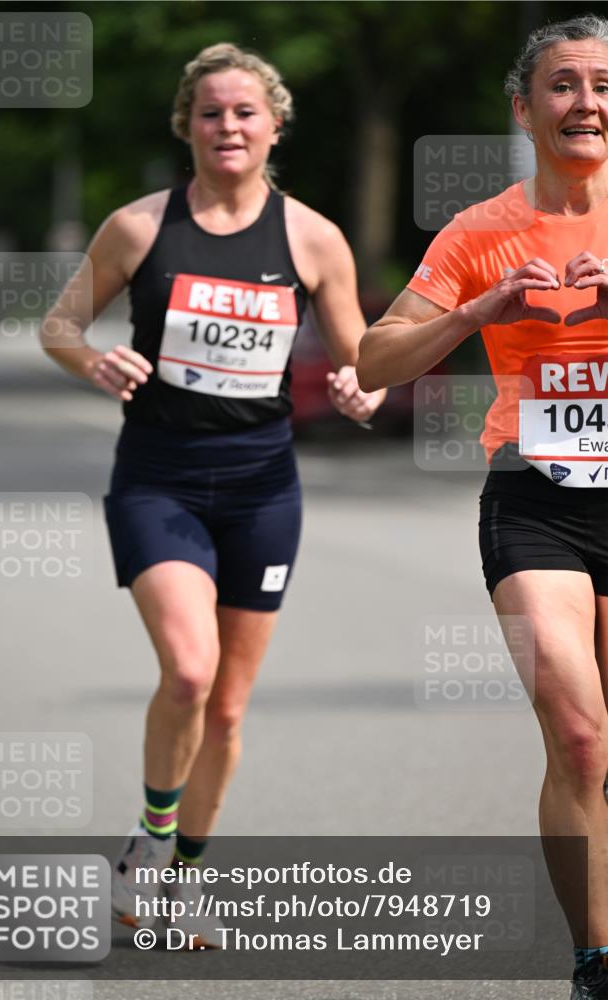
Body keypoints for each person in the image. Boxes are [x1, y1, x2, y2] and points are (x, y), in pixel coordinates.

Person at [41, 42, 384, 948]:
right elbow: (60, 325)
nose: (227, 126)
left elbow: (363, 356)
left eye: (243, 112)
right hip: (158, 478)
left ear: (273, 126)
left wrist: (362, 390)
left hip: (264, 487)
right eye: (210, 112)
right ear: (186, 126)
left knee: (227, 707)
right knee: (189, 672)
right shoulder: (138, 227)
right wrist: (91, 359)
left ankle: (184, 879)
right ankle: (151, 841)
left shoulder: (312, 237)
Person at [357, 15, 608, 999]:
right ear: (523, 108)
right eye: (562, 85)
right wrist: (475, 310)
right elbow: (375, 358)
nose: (585, 102)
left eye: (602, 85)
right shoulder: (481, 230)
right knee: (578, 735)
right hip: (535, 500)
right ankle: (594, 962)